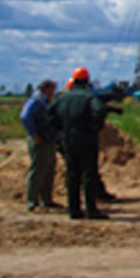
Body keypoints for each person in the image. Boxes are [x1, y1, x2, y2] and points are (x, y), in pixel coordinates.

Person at [48, 66, 108, 220]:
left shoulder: (61, 98)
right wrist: (95, 127)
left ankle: (73, 210)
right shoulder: (89, 97)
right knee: (89, 174)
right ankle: (91, 209)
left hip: (68, 140)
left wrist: (59, 133)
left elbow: (49, 116)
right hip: (87, 139)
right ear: (87, 81)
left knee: (72, 174)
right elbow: (100, 111)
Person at [19, 79, 60, 212]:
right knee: (38, 170)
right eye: (53, 89)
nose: (54, 92)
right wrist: (34, 135)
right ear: (46, 89)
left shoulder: (46, 101)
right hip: (39, 141)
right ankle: (32, 200)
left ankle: (46, 199)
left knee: (49, 169)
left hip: (48, 140)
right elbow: (25, 117)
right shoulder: (36, 101)